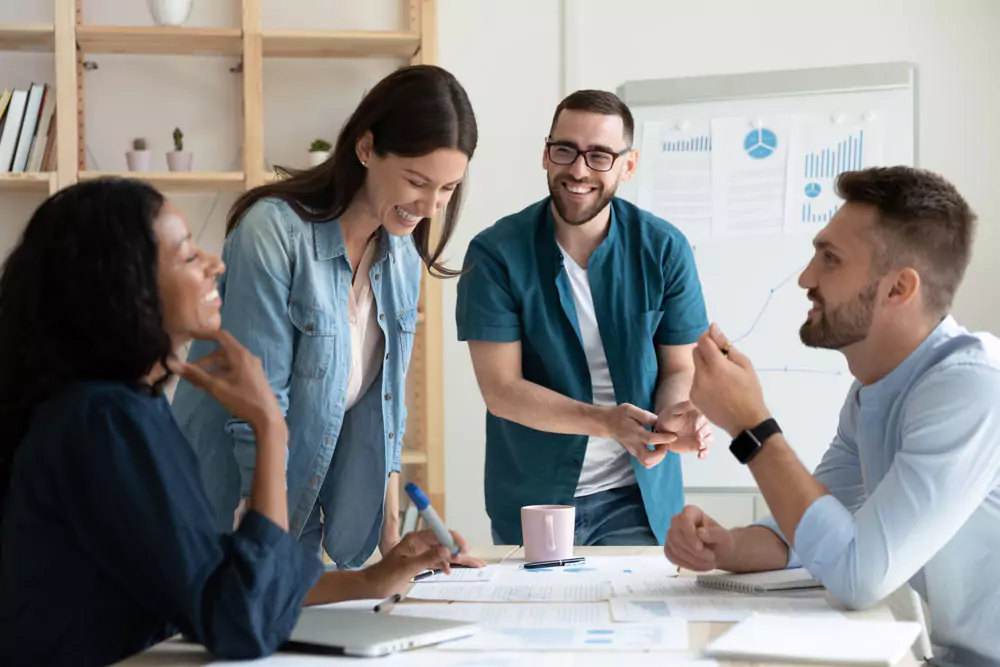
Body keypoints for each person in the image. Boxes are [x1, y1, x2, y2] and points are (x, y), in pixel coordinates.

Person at [0, 179, 475, 667]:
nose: (214, 265)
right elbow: (239, 619)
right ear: (125, 284)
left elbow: (215, 576)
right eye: (188, 257)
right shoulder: (104, 422)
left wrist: (370, 580)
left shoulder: (119, 409)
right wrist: (270, 426)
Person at [668, 167, 1000, 667]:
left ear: (898, 289)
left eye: (830, 259)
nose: (805, 278)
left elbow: (856, 575)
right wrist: (727, 547)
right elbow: (815, 530)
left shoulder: (970, 388)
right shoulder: (872, 392)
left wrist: (751, 426)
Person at [172, 65, 479, 568]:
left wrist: (392, 542)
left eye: (447, 189)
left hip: (298, 512)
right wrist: (263, 546)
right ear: (365, 148)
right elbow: (258, 406)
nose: (429, 207)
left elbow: (387, 409)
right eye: (417, 182)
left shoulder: (400, 252)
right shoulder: (273, 234)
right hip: (226, 511)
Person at [456, 90, 712, 547]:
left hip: (637, 496)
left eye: (599, 156)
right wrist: (608, 422)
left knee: (636, 619)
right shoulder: (495, 254)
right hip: (534, 499)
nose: (578, 169)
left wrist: (672, 418)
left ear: (627, 166)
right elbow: (502, 391)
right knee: (537, 619)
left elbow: (680, 367)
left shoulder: (665, 249)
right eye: (565, 151)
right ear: (546, 154)